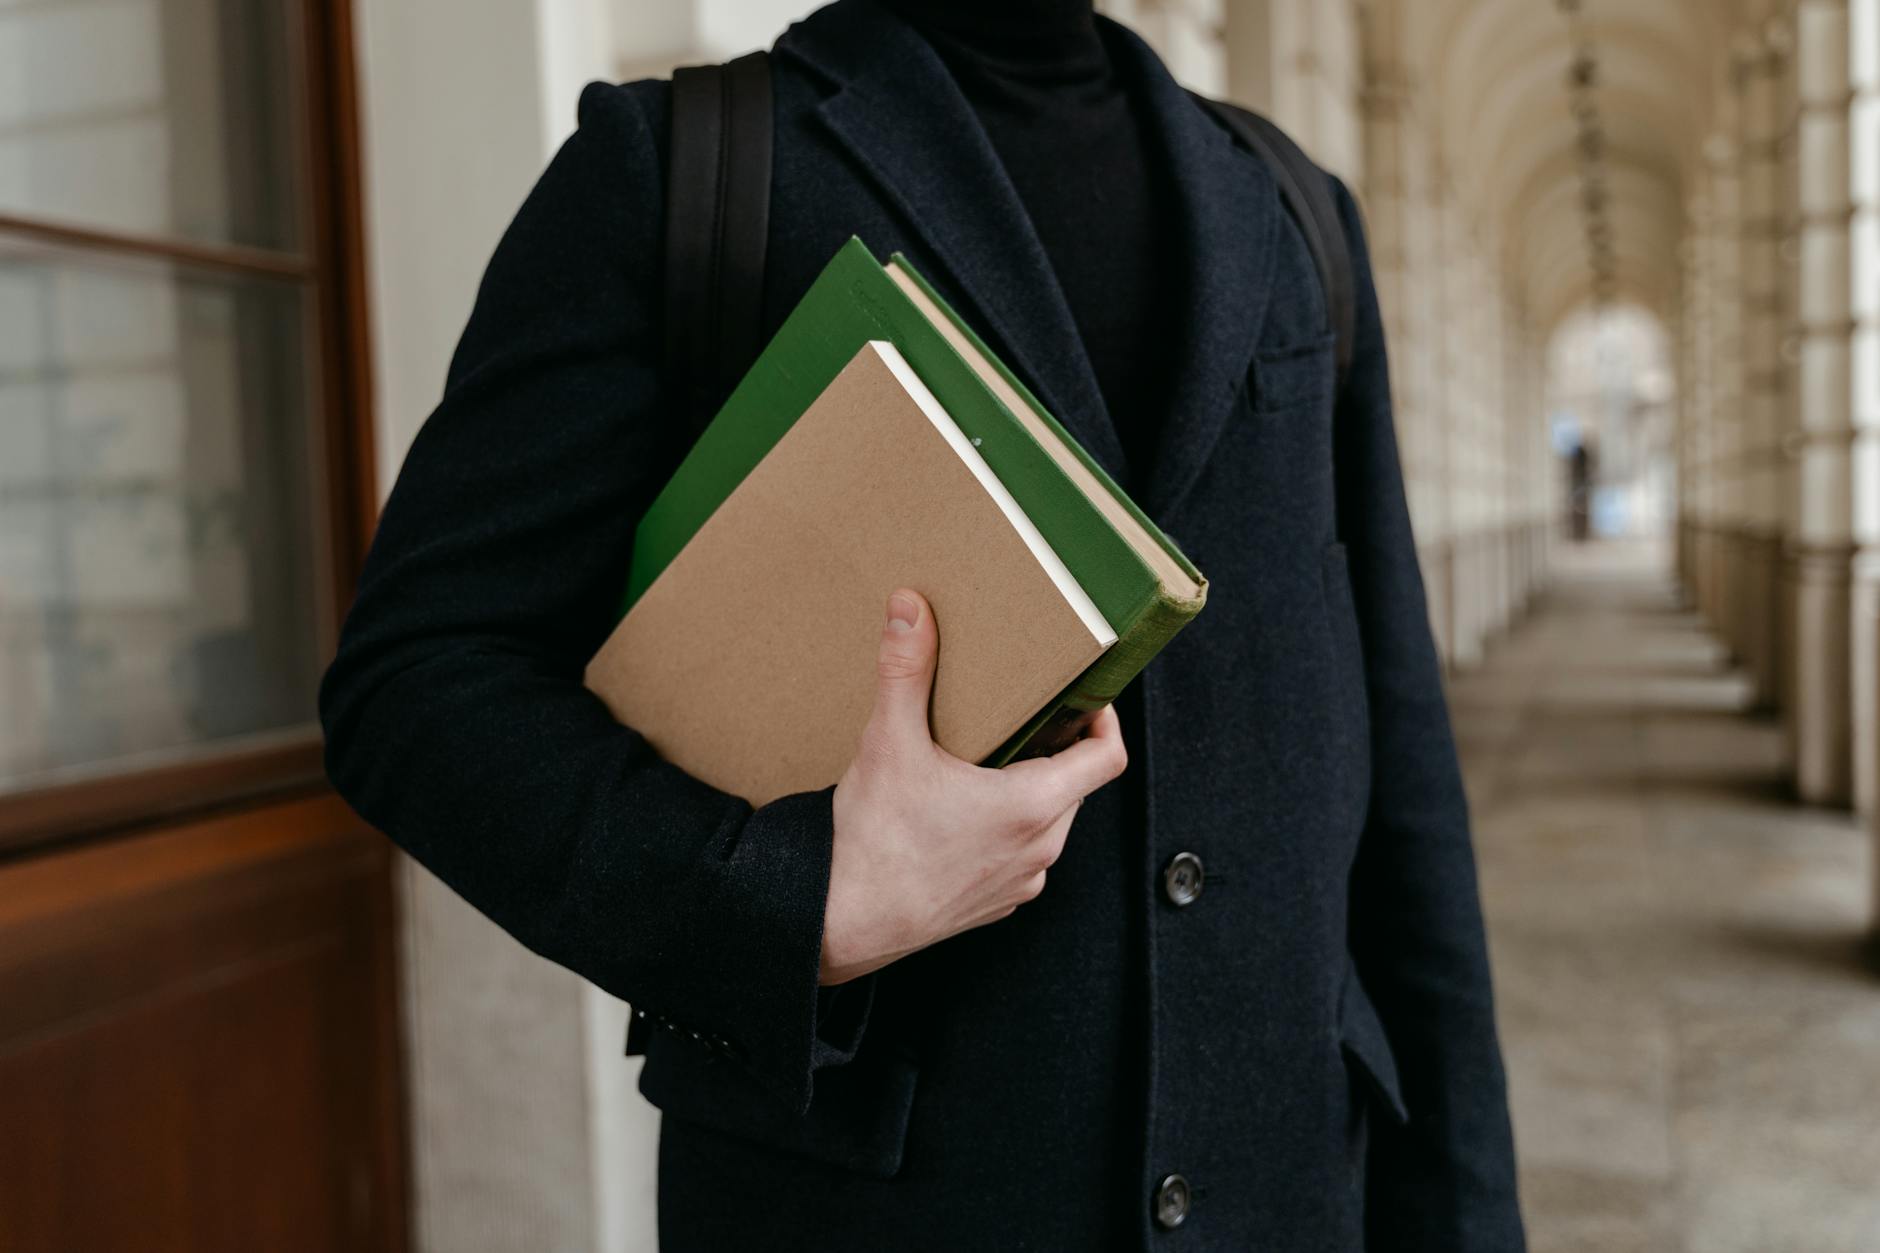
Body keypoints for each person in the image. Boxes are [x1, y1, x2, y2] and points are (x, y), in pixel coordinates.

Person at [318, 0, 1527, 1247]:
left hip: (1292, 1192)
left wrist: (1467, 1213)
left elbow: (1401, 785)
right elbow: (414, 682)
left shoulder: (1293, 208)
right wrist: (796, 899)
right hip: (873, 1207)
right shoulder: (687, 168)